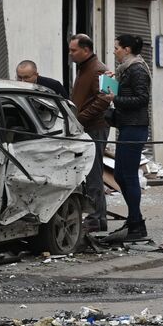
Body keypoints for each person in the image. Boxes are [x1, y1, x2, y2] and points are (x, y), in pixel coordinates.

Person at [102, 35, 152, 244]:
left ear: (127, 49)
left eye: (117, 48)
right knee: (121, 175)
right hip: (127, 125)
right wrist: (112, 83)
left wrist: (115, 98)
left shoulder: (138, 69)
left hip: (135, 127)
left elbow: (142, 99)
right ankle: (134, 220)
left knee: (128, 175)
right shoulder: (127, 69)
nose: (114, 51)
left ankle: (136, 224)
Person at [67, 34, 112, 235]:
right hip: (86, 126)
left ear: (86, 50)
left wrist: (81, 118)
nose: (70, 54)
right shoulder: (85, 68)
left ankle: (96, 218)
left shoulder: (99, 70)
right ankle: (97, 218)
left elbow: (106, 100)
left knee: (94, 173)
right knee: (89, 173)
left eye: (73, 50)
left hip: (95, 127)